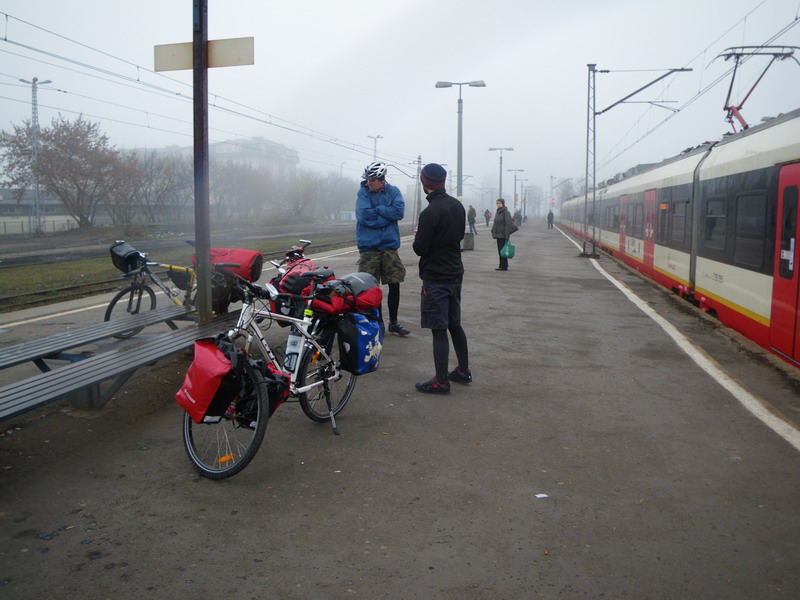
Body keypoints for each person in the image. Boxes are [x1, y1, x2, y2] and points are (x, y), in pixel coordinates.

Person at [412, 163, 471, 394]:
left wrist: (418, 236)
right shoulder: (457, 206)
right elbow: (457, 237)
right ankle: (463, 370)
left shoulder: (429, 213)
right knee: (454, 323)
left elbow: (420, 249)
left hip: (435, 277)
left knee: (439, 328)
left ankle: (440, 381)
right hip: (455, 272)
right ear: (443, 181)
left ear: (424, 182)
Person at [356, 161, 410, 336]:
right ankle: (377, 322)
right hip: (369, 248)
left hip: (389, 247)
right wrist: (386, 216)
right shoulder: (363, 192)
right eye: (368, 179)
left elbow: (399, 212)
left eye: (372, 180)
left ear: (381, 179)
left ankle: (393, 322)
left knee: (394, 284)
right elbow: (364, 216)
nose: (369, 183)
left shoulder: (393, 191)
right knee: (371, 288)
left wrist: (378, 209)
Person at [491, 198, 517, 271]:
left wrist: (507, 235)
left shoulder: (506, 212)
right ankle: (502, 265)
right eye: (497, 203)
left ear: (503, 204)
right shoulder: (498, 212)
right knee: (500, 251)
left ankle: (504, 266)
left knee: (503, 251)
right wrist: (493, 231)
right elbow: (496, 223)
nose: (498, 205)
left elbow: (508, 224)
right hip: (498, 235)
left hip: (503, 235)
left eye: (499, 203)